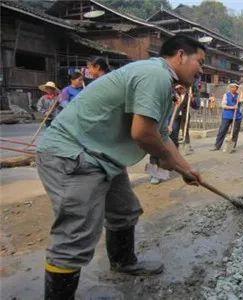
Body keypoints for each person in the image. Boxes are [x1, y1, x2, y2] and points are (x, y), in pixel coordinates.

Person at [36, 34, 205, 299]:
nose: (201, 70)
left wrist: (186, 169)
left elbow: (160, 135)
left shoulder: (162, 80)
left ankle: (123, 262)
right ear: (181, 55)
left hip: (101, 157)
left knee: (124, 211)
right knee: (75, 235)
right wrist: (164, 158)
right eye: (200, 61)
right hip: (74, 154)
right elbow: (143, 135)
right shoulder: (155, 75)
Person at [210, 82, 243, 152]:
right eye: (231, 87)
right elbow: (223, 105)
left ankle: (232, 146)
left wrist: (240, 100)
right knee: (222, 130)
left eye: (234, 87)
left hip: (237, 116)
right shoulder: (226, 95)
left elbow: (241, 104)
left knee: (234, 132)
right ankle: (217, 145)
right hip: (227, 115)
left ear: (237, 88)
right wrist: (232, 107)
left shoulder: (239, 96)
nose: (232, 89)